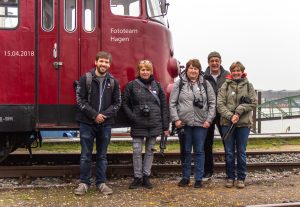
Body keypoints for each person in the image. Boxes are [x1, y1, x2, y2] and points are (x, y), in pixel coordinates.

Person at [74, 51, 121, 195]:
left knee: (102, 155)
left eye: (106, 62)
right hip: (87, 123)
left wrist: (103, 116)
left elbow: (117, 103)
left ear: (109, 64)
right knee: (85, 154)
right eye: (101, 61)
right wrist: (94, 115)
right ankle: (84, 183)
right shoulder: (85, 78)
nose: (104, 64)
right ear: (96, 62)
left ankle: (101, 183)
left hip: (105, 124)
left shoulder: (113, 81)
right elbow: (80, 100)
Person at [122, 60, 170, 189]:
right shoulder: (132, 85)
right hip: (138, 123)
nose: (145, 72)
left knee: (150, 151)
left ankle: (146, 176)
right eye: (142, 70)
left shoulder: (157, 86)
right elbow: (124, 103)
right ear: (139, 71)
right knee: (137, 151)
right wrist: (132, 116)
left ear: (151, 71)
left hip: (154, 123)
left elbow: (164, 106)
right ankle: (137, 177)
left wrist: (165, 126)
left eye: (147, 69)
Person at [169, 59, 216, 188]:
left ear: (199, 70)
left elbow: (212, 104)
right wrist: (176, 119)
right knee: (186, 151)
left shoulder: (206, 84)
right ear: (187, 70)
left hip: (201, 124)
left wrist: (209, 120)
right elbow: (172, 103)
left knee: (200, 151)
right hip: (183, 123)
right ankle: (185, 177)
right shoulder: (179, 84)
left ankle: (199, 179)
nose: (193, 71)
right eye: (191, 68)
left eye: (196, 68)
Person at [217, 61, 257, 188]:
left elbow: (254, 103)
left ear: (242, 72)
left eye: (238, 70)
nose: (236, 73)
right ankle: (230, 177)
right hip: (227, 123)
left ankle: (241, 178)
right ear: (231, 72)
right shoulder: (225, 86)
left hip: (243, 124)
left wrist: (239, 110)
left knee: (241, 151)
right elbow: (220, 105)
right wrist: (230, 116)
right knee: (229, 152)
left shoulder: (249, 86)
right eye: (233, 70)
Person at [202, 51, 230, 181]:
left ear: (220, 61)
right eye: (212, 61)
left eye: (216, 60)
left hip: (223, 113)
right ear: (208, 62)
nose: (214, 63)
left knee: (227, 142)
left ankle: (230, 171)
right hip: (208, 114)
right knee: (207, 143)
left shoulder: (227, 76)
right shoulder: (203, 76)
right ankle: (208, 171)